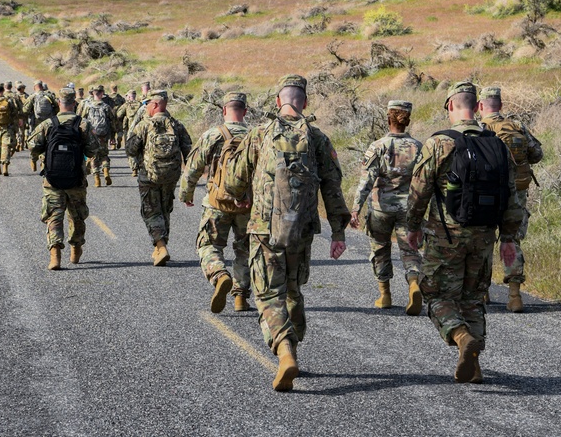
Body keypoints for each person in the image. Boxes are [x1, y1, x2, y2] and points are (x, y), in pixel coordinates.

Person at [224, 75, 350, 392]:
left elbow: (234, 182)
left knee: (268, 294)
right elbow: (333, 187)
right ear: (304, 103)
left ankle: (284, 351)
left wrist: (241, 195)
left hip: (264, 228)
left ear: (278, 102)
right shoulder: (318, 138)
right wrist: (338, 232)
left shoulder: (259, 135)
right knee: (293, 287)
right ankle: (295, 334)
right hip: (301, 230)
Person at [405, 82, 526, 384]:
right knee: (473, 298)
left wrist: (412, 228)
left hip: (446, 236)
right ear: (477, 106)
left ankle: (460, 337)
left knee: (435, 294)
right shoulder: (498, 144)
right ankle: (475, 365)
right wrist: (509, 238)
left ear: (450, 106)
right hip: (484, 236)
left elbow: (418, 192)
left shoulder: (439, 143)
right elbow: (512, 197)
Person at [179, 92, 253, 313]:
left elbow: (193, 168)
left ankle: (219, 274)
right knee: (245, 250)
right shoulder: (257, 136)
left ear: (224, 110)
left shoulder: (213, 135)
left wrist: (186, 193)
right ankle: (240, 297)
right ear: (245, 111)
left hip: (216, 203)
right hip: (248, 205)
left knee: (208, 245)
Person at [350, 100, 424, 314]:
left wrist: (355, 209)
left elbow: (366, 180)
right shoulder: (418, 147)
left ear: (388, 119)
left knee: (380, 249)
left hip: (381, 208)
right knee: (410, 250)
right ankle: (413, 284)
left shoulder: (379, 146)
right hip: (408, 208)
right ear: (407, 120)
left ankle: (385, 295)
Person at [478, 86, 544, 313]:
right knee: (511, 241)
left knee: (484, 240)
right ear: (501, 106)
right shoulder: (517, 127)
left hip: (488, 196)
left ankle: (483, 291)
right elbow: (537, 154)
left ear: (480, 106)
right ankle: (515, 297)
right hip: (516, 195)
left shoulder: (479, 128)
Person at [27, 88, 101, 270]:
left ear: (59, 103)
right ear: (74, 103)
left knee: (54, 216)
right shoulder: (83, 124)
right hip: (76, 179)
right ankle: (75, 249)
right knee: (76, 216)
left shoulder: (48, 124)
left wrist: (45, 154)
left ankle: (55, 256)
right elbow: (93, 149)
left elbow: (32, 146)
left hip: (52, 180)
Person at [125, 90, 192, 266]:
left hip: (148, 175)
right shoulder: (177, 125)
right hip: (171, 175)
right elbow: (189, 153)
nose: (145, 107)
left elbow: (131, 149)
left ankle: (161, 246)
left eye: (147, 104)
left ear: (155, 105)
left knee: (151, 211)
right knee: (164, 209)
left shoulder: (144, 125)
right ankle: (160, 247)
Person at [25, 80, 58, 172]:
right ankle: (44, 162)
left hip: (36, 124)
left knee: (35, 143)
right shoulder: (50, 96)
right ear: (42, 87)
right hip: (49, 123)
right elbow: (57, 107)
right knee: (48, 142)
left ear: (34, 87)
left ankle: (33, 159)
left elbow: (25, 110)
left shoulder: (32, 96)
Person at [0, 84, 19, 176]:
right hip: (7, 127)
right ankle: (5, 166)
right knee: (6, 147)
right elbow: (15, 113)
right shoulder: (9, 100)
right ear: (3, 91)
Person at [86, 87, 114, 187]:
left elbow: (82, 120)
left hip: (92, 136)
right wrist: (113, 137)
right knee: (104, 154)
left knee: (93, 157)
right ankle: (106, 171)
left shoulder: (88, 106)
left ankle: (97, 179)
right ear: (102, 94)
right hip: (104, 136)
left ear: (93, 94)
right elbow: (112, 122)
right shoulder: (106, 107)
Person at [117, 90, 142, 176]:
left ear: (128, 96)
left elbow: (119, 115)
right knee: (140, 149)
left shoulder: (126, 105)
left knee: (130, 149)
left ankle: (134, 169)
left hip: (129, 131)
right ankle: (141, 166)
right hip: (140, 130)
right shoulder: (141, 105)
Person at [109, 84, 127, 149]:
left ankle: (113, 144)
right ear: (116, 89)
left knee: (112, 131)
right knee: (119, 129)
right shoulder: (120, 98)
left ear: (111, 89)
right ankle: (119, 137)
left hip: (111, 116)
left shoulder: (108, 98)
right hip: (119, 116)